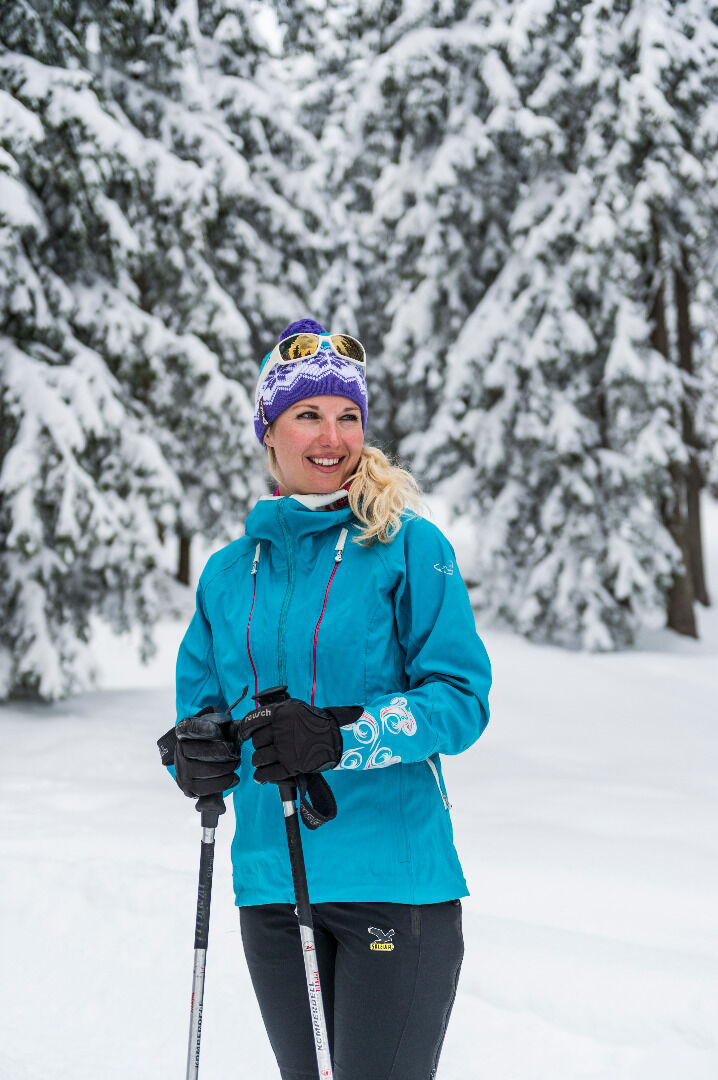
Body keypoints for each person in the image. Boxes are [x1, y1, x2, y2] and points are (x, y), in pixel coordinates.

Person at [168, 317, 492, 1080]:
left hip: (393, 886)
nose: (332, 436)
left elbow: (460, 699)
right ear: (269, 430)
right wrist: (195, 754)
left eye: (349, 416)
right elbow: (201, 714)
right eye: (309, 414)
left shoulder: (408, 546)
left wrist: (344, 736)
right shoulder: (227, 574)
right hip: (271, 889)